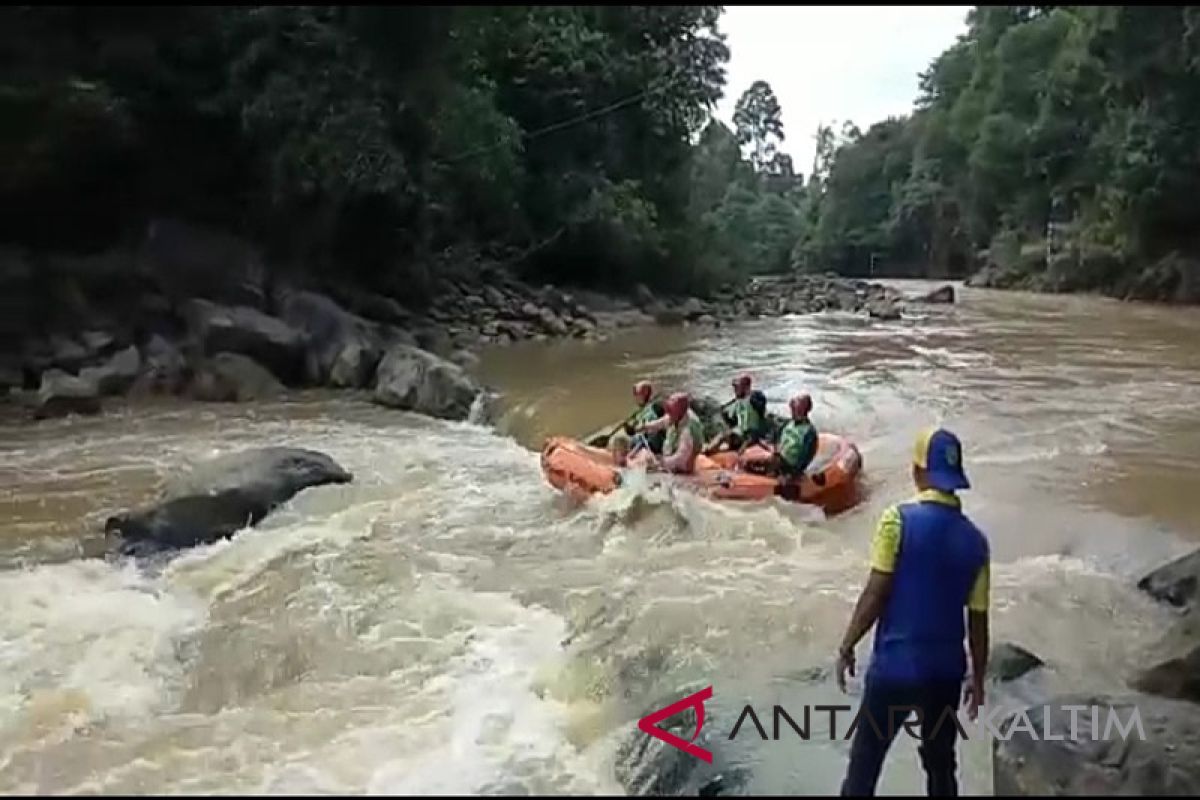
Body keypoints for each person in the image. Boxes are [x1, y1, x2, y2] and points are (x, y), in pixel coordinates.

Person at [836, 428, 990, 797]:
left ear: (919, 472)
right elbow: (978, 622)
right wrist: (979, 678)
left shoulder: (897, 521)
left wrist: (847, 645)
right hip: (945, 674)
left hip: (894, 668)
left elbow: (876, 593)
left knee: (865, 767)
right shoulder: (976, 542)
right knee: (940, 767)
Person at [628, 392, 705, 474]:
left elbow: (681, 457)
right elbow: (662, 422)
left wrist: (662, 463)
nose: (669, 416)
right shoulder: (678, 414)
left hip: (685, 460)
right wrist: (644, 427)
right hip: (673, 453)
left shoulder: (688, 430)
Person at [704, 374, 769, 455]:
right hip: (741, 434)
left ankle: (709, 452)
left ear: (745, 387)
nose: (735, 390)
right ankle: (707, 452)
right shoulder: (737, 401)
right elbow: (729, 416)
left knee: (734, 444)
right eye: (734, 387)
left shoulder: (755, 397)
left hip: (753, 435)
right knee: (723, 435)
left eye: (737, 387)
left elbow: (762, 407)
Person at [773, 393, 819, 481]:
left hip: (790, 467)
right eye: (793, 405)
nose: (793, 406)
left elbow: (806, 456)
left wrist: (792, 474)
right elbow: (777, 439)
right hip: (779, 459)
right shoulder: (788, 424)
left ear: (803, 409)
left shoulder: (809, 432)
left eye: (797, 404)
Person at [624, 380, 666, 456]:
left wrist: (634, 451)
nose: (635, 397)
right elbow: (636, 429)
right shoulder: (640, 410)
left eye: (637, 395)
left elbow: (652, 436)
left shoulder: (654, 409)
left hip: (653, 445)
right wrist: (630, 429)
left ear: (645, 395)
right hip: (642, 441)